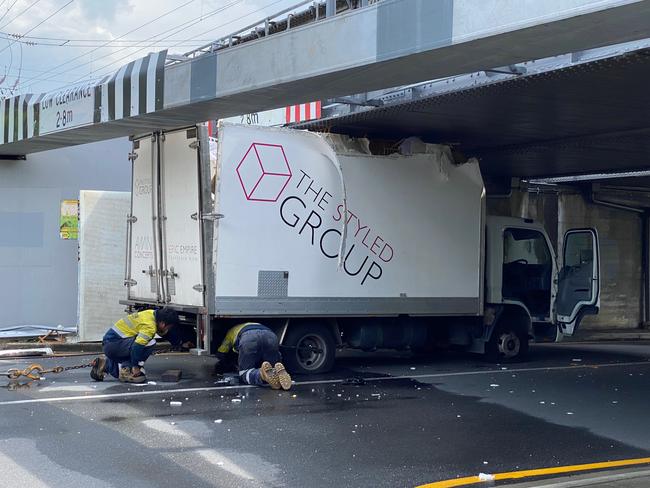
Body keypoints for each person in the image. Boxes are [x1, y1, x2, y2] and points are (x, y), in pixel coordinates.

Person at [90, 308, 179, 384]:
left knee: (119, 372)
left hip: (111, 343)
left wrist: (181, 342)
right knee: (150, 342)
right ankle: (127, 370)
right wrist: (135, 367)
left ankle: (105, 365)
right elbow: (137, 347)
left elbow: (163, 332)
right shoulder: (150, 327)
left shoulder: (150, 313)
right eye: (168, 327)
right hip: (113, 345)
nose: (167, 329)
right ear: (163, 323)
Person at [214, 322, 292, 390]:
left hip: (249, 338)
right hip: (270, 336)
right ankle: (278, 373)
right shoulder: (255, 324)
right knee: (272, 367)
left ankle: (261, 375)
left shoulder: (231, 331)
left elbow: (222, 351)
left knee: (244, 373)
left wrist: (223, 362)